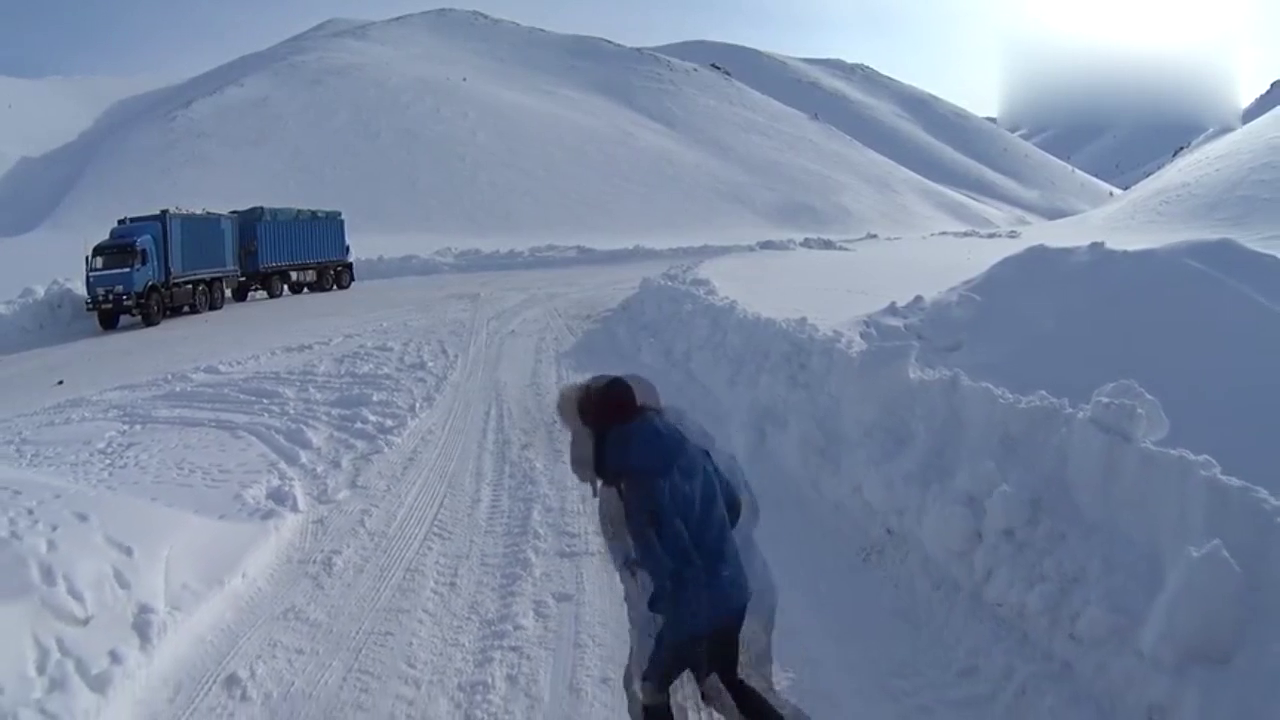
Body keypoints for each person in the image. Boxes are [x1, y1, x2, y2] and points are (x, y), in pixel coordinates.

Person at [576, 374, 786, 720]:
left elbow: (666, 572)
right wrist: (708, 540)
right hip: (733, 591)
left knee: (652, 689)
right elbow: (732, 507)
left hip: (693, 613)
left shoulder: (639, 487)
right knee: (728, 680)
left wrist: (667, 609)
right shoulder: (686, 446)